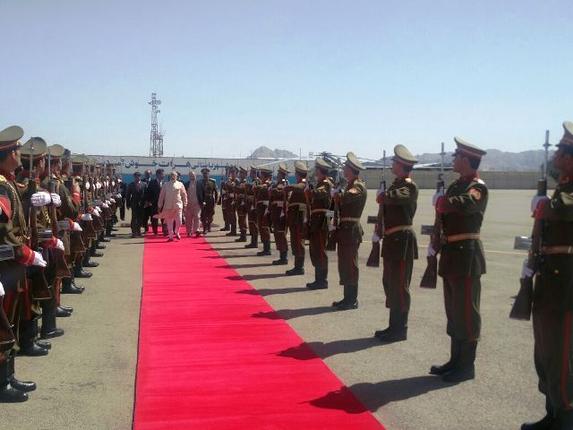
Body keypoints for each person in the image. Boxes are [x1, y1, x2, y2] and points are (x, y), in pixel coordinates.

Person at [521, 121, 573, 430]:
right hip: (549, 277)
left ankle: (566, 417)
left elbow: (564, 209)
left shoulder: (565, 195)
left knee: (562, 353)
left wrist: (548, 206)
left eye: (561, 149)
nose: (555, 153)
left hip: (567, 281)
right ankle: (553, 412)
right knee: (545, 351)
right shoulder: (563, 187)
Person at [429, 137, 488, 383]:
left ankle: (466, 367)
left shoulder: (477, 187)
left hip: (467, 256)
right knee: (454, 312)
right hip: (452, 254)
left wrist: (444, 203)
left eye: (456, 157)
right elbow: (443, 213)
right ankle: (455, 361)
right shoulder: (455, 185)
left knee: (467, 312)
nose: (453, 160)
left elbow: (466, 205)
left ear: (466, 160)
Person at [0, 125, 48, 402]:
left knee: (13, 318)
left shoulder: (6, 182)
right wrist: (26, 253)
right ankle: (2, 383)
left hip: (12, 264)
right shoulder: (1, 186)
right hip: (7, 264)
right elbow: (4, 232)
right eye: (16, 150)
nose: (19, 154)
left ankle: (8, 377)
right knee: (4, 322)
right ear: (7, 155)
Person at [374, 145, 419, 343]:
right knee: (390, 284)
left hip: (402, 241)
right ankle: (393, 326)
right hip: (393, 241)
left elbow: (394, 198)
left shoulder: (408, 186)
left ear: (402, 165)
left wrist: (384, 196)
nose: (392, 164)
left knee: (400, 285)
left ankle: (400, 329)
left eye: (394, 162)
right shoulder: (396, 184)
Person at [332, 152, 367, 311]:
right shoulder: (350, 185)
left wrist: (339, 194)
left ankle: (352, 300)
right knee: (345, 264)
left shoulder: (357, 185)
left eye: (345, 167)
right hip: (345, 230)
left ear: (351, 169)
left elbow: (349, 197)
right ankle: (347, 297)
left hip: (351, 230)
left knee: (350, 265)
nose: (343, 169)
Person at [306, 157, 333, 290]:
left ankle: (322, 280)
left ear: (320, 170)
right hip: (317, 220)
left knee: (320, 250)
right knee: (316, 249)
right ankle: (318, 279)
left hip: (322, 221)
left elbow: (319, 193)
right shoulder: (320, 183)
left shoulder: (326, 184)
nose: (315, 172)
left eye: (316, 169)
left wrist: (311, 191)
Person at [285, 161, 308, 275]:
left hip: (299, 218)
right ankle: (297, 266)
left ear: (299, 174)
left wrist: (289, 187)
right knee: (295, 241)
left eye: (296, 173)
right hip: (295, 218)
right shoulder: (300, 183)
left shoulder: (303, 183)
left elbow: (299, 187)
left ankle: (299, 267)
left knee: (298, 242)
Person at [156, 171, 187, 242]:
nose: (173, 176)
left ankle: (176, 231)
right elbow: (161, 196)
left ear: (176, 176)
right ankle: (170, 236)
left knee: (179, 222)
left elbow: (184, 195)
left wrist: (185, 204)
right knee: (169, 222)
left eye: (174, 175)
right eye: (172, 175)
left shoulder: (180, 184)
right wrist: (159, 205)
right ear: (170, 176)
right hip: (168, 206)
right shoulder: (165, 185)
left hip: (178, 206)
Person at [270, 163, 289, 265]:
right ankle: (282, 256)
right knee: (278, 234)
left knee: (281, 234)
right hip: (276, 213)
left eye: (280, 174)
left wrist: (274, 190)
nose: (278, 176)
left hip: (281, 213)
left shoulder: (284, 183)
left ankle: (284, 257)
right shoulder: (277, 184)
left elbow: (278, 193)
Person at [254, 167, 273, 256]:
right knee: (261, 227)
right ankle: (265, 248)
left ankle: (267, 249)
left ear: (266, 176)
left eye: (262, 175)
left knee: (265, 228)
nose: (260, 177)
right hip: (260, 208)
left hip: (265, 208)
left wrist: (257, 186)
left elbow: (258, 188)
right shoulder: (262, 183)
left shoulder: (268, 184)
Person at [196, 168, 218, 234]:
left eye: (206, 174)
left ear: (209, 174)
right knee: (203, 215)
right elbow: (198, 193)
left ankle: (209, 225)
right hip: (203, 200)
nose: (205, 175)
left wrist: (216, 201)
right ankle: (205, 228)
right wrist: (200, 202)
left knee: (210, 215)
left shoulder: (212, 182)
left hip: (211, 201)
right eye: (204, 174)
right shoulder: (199, 182)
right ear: (202, 174)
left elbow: (216, 192)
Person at [125, 172, 147, 238]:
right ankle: (134, 232)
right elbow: (128, 195)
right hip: (134, 203)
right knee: (134, 217)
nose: (137, 178)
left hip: (142, 204)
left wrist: (146, 202)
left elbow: (146, 194)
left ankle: (138, 230)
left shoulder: (144, 184)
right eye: (136, 176)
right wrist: (128, 204)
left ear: (140, 177)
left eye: (138, 176)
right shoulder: (131, 185)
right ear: (134, 177)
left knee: (140, 218)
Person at [244, 166, 260, 249]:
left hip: (254, 205)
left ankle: (255, 242)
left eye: (251, 172)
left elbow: (255, 193)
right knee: (251, 223)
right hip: (250, 204)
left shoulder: (257, 181)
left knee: (254, 223)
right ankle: (253, 241)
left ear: (254, 173)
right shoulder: (253, 181)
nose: (250, 174)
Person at [145, 169, 164, 235]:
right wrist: (149, 201)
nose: (163, 175)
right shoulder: (152, 182)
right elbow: (148, 192)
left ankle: (165, 231)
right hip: (154, 203)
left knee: (163, 218)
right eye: (161, 174)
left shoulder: (165, 183)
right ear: (157, 175)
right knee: (154, 218)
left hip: (163, 204)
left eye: (163, 174)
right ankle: (155, 231)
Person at [184, 171, 201, 237]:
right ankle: (189, 231)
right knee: (188, 219)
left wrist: (203, 201)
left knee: (197, 217)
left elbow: (203, 193)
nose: (192, 176)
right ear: (189, 176)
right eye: (191, 175)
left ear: (195, 176)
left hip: (197, 204)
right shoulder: (186, 184)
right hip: (188, 204)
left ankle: (196, 230)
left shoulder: (199, 184)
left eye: (193, 175)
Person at [235, 166, 249, 242]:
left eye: (241, 173)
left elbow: (241, 191)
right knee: (240, 220)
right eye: (240, 173)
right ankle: (242, 235)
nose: (240, 174)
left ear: (245, 174)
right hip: (239, 203)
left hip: (243, 204)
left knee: (242, 220)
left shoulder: (244, 182)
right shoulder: (240, 182)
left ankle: (243, 236)